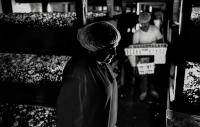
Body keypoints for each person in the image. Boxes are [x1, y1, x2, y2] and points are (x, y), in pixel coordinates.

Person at [56, 21, 121, 127]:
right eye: (109, 49)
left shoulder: (101, 64)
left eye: (115, 47)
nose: (115, 53)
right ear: (93, 48)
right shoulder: (79, 73)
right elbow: (70, 117)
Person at [131, 12, 164, 101]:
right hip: (143, 57)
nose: (144, 25)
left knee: (154, 74)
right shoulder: (137, 33)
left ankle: (153, 90)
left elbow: (161, 40)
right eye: (142, 23)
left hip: (154, 55)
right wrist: (136, 60)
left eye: (146, 23)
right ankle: (144, 91)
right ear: (140, 23)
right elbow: (134, 47)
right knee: (144, 74)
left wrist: (156, 48)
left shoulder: (155, 29)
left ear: (149, 21)